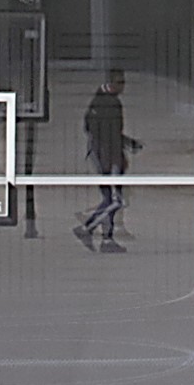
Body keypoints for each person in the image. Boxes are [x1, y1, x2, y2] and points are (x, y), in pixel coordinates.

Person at [74, 74, 137, 252]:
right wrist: (118, 154)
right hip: (107, 157)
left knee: (110, 198)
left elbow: (95, 128)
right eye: (120, 83)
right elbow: (109, 134)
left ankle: (107, 240)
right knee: (116, 200)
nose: (123, 86)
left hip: (102, 154)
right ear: (112, 83)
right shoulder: (109, 103)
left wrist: (127, 143)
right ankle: (87, 227)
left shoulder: (99, 100)